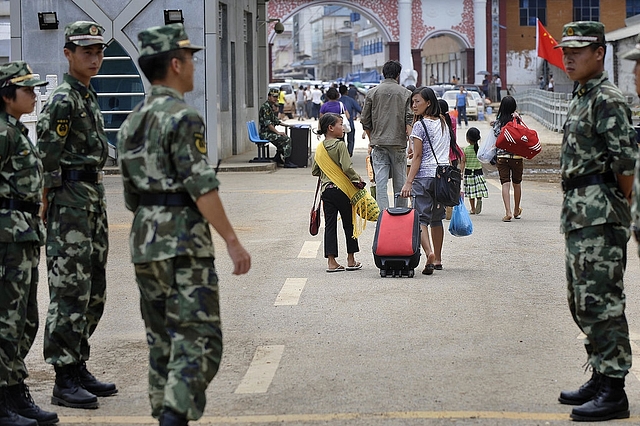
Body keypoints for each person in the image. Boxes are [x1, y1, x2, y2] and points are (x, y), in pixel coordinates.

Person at [117, 23, 251, 426]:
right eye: (190, 59)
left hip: (145, 242)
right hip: (183, 244)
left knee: (161, 341)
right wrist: (231, 240)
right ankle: (174, 418)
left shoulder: (130, 122)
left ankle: (165, 414)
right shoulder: (182, 117)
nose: (194, 66)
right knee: (200, 340)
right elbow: (201, 186)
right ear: (175, 64)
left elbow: (130, 196)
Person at [555, 21, 637, 422]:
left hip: (601, 214)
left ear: (600, 53)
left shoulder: (607, 99)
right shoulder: (582, 95)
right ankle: (600, 372)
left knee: (602, 300)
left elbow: (626, 168)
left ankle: (614, 390)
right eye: (564, 51)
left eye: (578, 50)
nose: (568, 57)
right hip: (580, 213)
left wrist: (624, 215)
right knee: (582, 299)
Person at [36, 21, 117, 410]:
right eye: (86, 51)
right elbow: (46, 159)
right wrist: (46, 205)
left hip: (91, 199)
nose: (95, 58)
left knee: (93, 288)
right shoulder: (63, 99)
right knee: (69, 290)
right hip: (68, 202)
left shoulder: (87, 94)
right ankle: (63, 376)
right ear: (68, 54)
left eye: (99, 51)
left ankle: (79, 363)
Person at [0, 62, 59, 426]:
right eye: (28, 90)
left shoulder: (16, 131)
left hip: (23, 236)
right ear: (8, 94)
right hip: (6, 238)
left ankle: (14, 391)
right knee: (6, 320)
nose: (35, 95)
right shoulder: (3, 134)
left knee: (24, 320)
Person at [400, 87, 449, 275]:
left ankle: (428, 253)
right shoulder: (444, 122)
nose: (414, 105)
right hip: (442, 177)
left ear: (428, 102)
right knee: (437, 219)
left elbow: (418, 156)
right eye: (412, 102)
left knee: (421, 219)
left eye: (417, 101)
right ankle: (438, 258)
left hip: (424, 177)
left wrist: (408, 182)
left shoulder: (420, 125)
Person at [311, 113, 363, 272]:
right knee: (349, 224)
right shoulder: (340, 145)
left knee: (330, 225)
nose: (343, 127)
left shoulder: (320, 148)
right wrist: (357, 179)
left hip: (327, 192)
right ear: (331, 128)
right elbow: (347, 168)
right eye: (340, 124)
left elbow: (315, 171)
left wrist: (328, 171)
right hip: (342, 191)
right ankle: (351, 259)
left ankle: (332, 262)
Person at [361, 60, 413, 210]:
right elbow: (409, 119)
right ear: (398, 75)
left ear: (383, 74)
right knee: (400, 182)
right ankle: (400, 214)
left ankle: (383, 217)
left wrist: (372, 139)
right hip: (398, 143)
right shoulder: (406, 93)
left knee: (381, 183)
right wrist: (410, 143)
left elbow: (365, 120)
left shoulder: (372, 93)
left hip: (379, 143)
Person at [491, 96, 523, 222]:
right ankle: (516, 210)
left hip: (502, 157)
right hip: (516, 156)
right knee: (517, 183)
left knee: (505, 183)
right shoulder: (517, 119)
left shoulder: (498, 121)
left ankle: (508, 212)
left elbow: (496, 135)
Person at [259, 88, 297, 168]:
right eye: (273, 96)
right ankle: (287, 161)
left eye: (277, 97)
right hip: (265, 133)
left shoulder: (270, 106)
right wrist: (278, 132)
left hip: (269, 132)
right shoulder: (266, 107)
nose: (275, 98)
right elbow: (268, 123)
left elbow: (276, 121)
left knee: (282, 138)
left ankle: (277, 157)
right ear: (269, 97)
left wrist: (287, 125)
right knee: (286, 139)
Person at [460, 127, 488, 215]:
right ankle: (479, 200)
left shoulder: (466, 150)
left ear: (468, 139)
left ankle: (472, 209)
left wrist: (461, 172)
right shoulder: (480, 149)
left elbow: (463, 162)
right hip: (478, 172)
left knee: (471, 192)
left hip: (469, 173)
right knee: (478, 189)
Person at [338, 84, 362, 156]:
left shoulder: (338, 101)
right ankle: (349, 153)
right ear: (346, 92)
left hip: (339, 124)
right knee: (350, 140)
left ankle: (342, 153)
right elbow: (359, 110)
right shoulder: (351, 100)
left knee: (341, 140)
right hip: (349, 123)